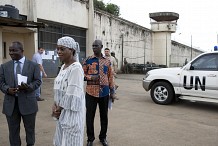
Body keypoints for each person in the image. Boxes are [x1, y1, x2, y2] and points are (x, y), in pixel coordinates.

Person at [0, 41, 42, 146]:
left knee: (30, 130)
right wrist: (7, 89)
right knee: (13, 132)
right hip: (11, 105)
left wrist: (29, 87)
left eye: (14, 50)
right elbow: (1, 82)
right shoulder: (4, 66)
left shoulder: (33, 65)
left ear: (22, 51)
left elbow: (38, 81)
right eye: (10, 51)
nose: (11, 53)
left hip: (29, 104)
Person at [52, 36, 85, 146]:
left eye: (62, 49)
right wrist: (54, 105)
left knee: (70, 142)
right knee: (61, 141)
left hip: (71, 114)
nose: (59, 52)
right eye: (58, 49)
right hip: (61, 112)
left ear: (72, 50)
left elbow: (72, 94)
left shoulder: (76, 68)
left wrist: (58, 109)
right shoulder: (63, 67)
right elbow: (59, 89)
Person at [83, 40, 115, 146]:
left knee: (104, 116)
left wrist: (112, 91)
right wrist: (91, 77)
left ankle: (103, 138)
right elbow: (82, 74)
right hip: (90, 92)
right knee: (89, 116)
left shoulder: (107, 61)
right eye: (93, 46)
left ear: (101, 46)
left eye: (96, 46)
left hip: (104, 93)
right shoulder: (87, 60)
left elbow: (110, 76)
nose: (94, 47)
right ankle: (90, 139)